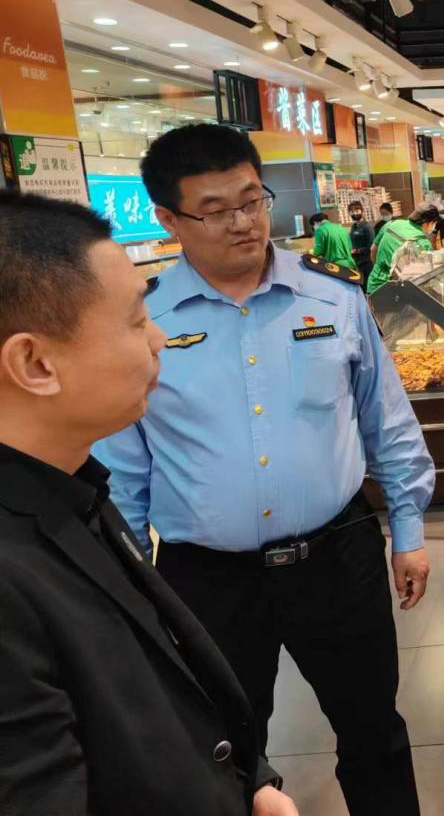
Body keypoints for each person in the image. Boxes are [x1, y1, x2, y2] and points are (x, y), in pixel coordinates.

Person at [92, 124, 435, 816]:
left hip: (339, 557)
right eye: (215, 210)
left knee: (374, 730)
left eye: (252, 200)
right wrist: (131, 592)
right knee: (223, 748)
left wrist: (408, 528)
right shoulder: (142, 323)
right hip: (206, 578)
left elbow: (386, 421)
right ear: (168, 220)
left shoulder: (333, 298)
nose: (243, 222)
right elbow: (123, 474)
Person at [0, 190, 298, 816]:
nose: (159, 338)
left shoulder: (74, 487)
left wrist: (248, 783)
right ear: (34, 363)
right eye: (137, 321)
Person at [367, 205, 439, 294]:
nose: (434, 227)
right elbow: (425, 275)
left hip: (375, 284)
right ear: (427, 223)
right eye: (434, 224)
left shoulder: (390, 224)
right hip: (399, 291)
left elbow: (373, 250)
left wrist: (379, 269)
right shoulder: (424, 243)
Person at [347, 200, 376, 285]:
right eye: (351, 211)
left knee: (367, 286)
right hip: (357, 262)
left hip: (367, 262)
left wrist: (357, 251)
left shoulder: (367, 227)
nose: (354, 213)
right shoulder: (353, 227)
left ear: (362, 211)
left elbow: (371, 246)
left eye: (356, 210)